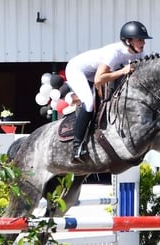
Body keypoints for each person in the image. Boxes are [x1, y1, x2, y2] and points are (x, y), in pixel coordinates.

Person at [65, 20, 152, 161]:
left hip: (94, 73)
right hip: (77, 70)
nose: (143, 43)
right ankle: (77, 146)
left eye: (143, 39)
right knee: (88, 101)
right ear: (128, 41)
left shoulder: (138, 53)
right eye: (140, 39)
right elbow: (99, 79)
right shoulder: (114, 53)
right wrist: (123, 71)